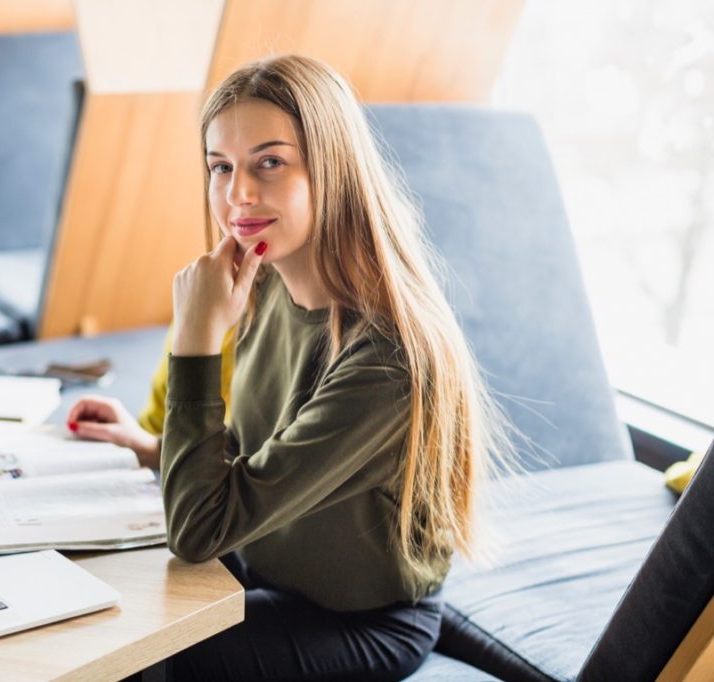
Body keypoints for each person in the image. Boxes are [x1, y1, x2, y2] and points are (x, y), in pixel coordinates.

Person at [67, 55, 513, 681]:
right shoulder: (268, 282)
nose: (238, 195)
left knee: (140, 656)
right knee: (84, 590)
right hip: (258, 567)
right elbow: (249, 457)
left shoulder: (388, 359)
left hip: (361, 622)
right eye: (221, 167)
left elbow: (199, 532)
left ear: (332, 170)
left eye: (269, 163)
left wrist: (195, 339)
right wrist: (149, 447)